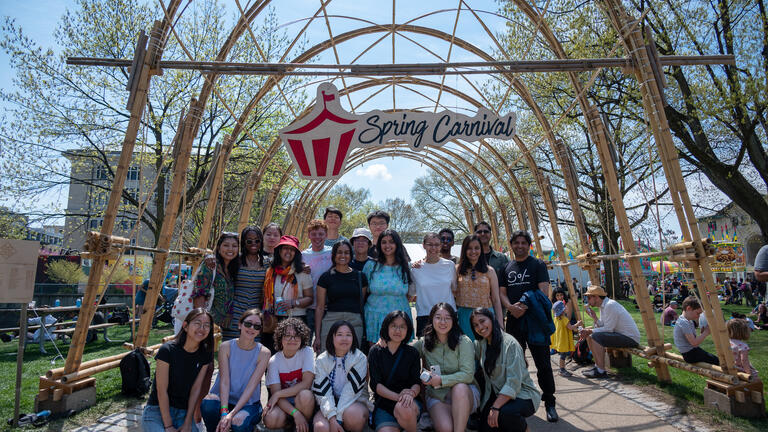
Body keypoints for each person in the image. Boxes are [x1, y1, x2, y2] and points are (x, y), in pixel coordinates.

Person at [498, 230, 557, 421]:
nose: (520, 246)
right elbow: (502, 292)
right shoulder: (507, 267)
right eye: (516, 243)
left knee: (543, 364)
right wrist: (509, 307)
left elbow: (543, 290)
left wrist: (523, 306)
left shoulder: (538, 264)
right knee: (515, 362)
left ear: (529, 245)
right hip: (514, 321)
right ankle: (519, 397)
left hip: (535, 321)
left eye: (524, 242)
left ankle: (549, 402)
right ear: (512, 245)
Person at [142, 308, 214, 432]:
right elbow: (161, 390)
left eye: (206, 325)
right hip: (157, 410)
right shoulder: (167, 350)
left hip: (183, 413)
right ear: (185, 326)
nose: (202, 328)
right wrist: (168, 426)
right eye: (197, 323)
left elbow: (196, 389)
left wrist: (187, 422)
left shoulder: (205, 354)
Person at [470, 308, 540, 432]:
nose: (480, 327)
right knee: (486, 427)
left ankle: (526, 429)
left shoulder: (510, 344)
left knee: (505, 414)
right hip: (496, 394)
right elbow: (467, 354)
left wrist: (495, 407)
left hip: (522, 394)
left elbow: (513, 382)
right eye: (476, 325)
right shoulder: (482, 343)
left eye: (482, 321)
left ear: (492, 319)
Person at [412, 303, 479, 432]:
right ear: (432, 319)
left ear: (454, 320)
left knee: (459, 388)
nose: (443, 322)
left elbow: (468, 374)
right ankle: (459, 421)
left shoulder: (463, 341)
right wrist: (385, 340)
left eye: (447, 318)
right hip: (437, 395)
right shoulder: (425, 342)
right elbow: (406, 353)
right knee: (446, 428)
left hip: (464, 394)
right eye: (438, 317)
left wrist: (441, 380)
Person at [200, 309, 270, 432]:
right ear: (240, 325)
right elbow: (225, 381)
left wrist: (231, 415)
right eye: (248, 324)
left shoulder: (264, 353)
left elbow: (251, 386)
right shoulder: (226, 347)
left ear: (259, 331)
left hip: (248, 404)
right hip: (223, 399)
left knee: (238, 422)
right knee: (208, 404)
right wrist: (224, 413)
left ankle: (250, 427)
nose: (252, 328)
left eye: (257, 326)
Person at [368, 311, 422, 432]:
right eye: (394, 326)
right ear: (386, 327)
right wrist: (399, 397)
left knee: (404, 408)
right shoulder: (375, 352)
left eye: (402, 327)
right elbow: (376, 385)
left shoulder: (412, 353)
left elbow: (416, 382)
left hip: (409, 403)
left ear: (408, 330)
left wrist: (411, 394)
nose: (398, 330)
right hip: (385, 404)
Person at [312, 320, 370, 432]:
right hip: (330, 402)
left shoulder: (359, 358)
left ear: (353, 338)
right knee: (321, 427)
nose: (344, 338)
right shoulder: (322, 360)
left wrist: (337, 419)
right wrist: (332, 418)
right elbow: (323, 392)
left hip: (355, 402)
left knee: (354, 416)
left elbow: (350, 391)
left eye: (348, 335)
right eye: (339, 335)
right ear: (331, 337)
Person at [262, 235, 314, 353]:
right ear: (279, 251)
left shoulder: (302, 272)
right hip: (273, 320)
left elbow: (310, 298)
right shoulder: (270, 272)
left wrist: (293, 303)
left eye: (292, 249)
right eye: (285, 248)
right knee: (272, 355)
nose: (288, 252)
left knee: (294, 356)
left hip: (296, 319)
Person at [263, 318, 316, 432]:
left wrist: (278, 395)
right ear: (280, 338)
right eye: (287, 335)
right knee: (271, 419)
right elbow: (275, 394)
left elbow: (306, 384)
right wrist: (295, 413)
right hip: (285, 403)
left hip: (304, 401)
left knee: (305, 395)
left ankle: (304, 426)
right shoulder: (274, 361)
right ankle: (292, 423)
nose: (292, 339)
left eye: (296, 336)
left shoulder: (307, 352)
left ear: (302, 338)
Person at [314, 240, 368, 351]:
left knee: (352, 359)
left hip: (354, 321)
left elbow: (361, 302)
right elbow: (319, 307)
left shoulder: (360, 277)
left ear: (351, 255)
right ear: (333, 255)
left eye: (346, 252)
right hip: (330, 320)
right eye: (339, 252)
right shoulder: (326, 277)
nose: (343, 255)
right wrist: (317, 336)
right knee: (326, 357)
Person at [363, 229, 414, 345]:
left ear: (397, 244)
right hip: (374, 317)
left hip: (400, 318)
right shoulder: (371, 266)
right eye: (384, 242)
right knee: (376, 356)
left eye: (391, 242)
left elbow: (409, 294)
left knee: (399, 357)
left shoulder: (406, 267)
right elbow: (363, 294)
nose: (387, 245)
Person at [580, 285, 642, 378]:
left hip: (630, 338)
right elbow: (603, 326)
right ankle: (598, 367)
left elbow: (608, 329)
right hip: (621, 335)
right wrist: (595, 318)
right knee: (590, 336)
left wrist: (590, 330)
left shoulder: (610, 305)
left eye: (589, 297)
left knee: (595, 336)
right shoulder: (603, 306)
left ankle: (601, 370)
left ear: (596, 297)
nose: (587, 300)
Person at [454, 234, 504, 340]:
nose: (473, 251)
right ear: (464, 250)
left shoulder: (489, 271)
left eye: (476, 248)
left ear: (481, 250)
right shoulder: (456, 270)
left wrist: (500, 323)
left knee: (487, 351)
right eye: (469, 248)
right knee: (468, 351)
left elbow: (496, 299)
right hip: (464, 317)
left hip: (486, 317)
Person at [224, 226, 267, 341]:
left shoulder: (267, 263)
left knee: (252, 352)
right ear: (243, 242)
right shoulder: (235, 261)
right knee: (231, 351)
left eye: (257, 240)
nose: (254, 243)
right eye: (249, 241)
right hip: (234, 316)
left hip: (256, 318)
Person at [191, 232, 238, 333]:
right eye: (226, 245)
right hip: (206, 323)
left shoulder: (232, 269)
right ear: (219, 247)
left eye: (234, 246)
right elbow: (200, 293)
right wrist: (202, 322)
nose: (230, 249)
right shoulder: (210, 265)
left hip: (221, 326)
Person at [411, 233, 457, 336]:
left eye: (437, 245)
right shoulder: (415, 269)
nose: (433, 248)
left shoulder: (449, 265)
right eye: (430, 244)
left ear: (441, 246)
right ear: (423, 245)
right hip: (425, 316)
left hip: (448, 315)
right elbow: (411, 293)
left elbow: (455, 289)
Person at [302, 219, 333, 337]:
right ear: (309, 235)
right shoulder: (303, 255)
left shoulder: (332, 253)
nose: (317, 237)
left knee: (325, 342)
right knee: (306, 341)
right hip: (307, 306)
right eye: (314, 234)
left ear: (326, 235)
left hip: (327, 306)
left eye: (321, 234)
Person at [673, 296, 719, 365]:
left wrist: (702, 334)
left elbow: (693, 341)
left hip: (692, 351)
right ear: (689, 308)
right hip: (690, 354)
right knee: (716, 361)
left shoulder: (688, 321)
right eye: (698, 313)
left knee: (713, 358)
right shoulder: (683, 323)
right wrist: (706, 332)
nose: (699, 316)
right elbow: (694, 343)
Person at [551, 290, 580, 377]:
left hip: (560, 339)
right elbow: (571, 327)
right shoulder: (564, 319)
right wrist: (578, 324)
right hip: (563, 340)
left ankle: (562, 369)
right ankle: (562, 370)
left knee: (562, 355)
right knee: (562, 356)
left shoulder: (556, 318)